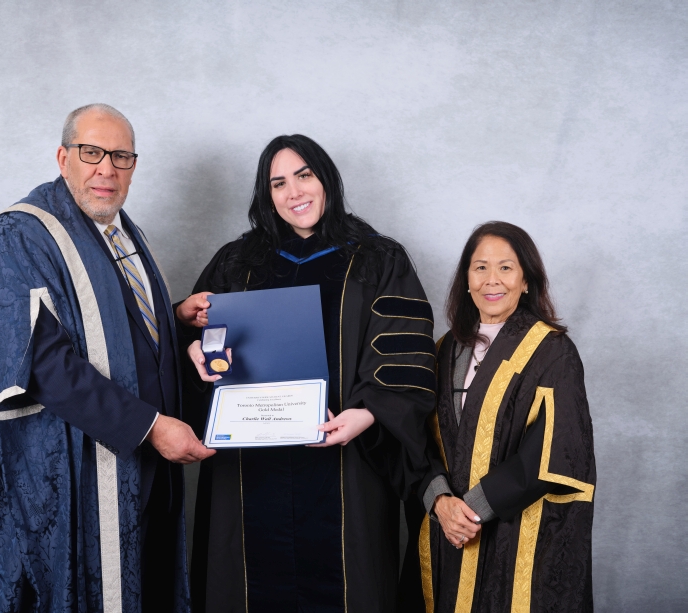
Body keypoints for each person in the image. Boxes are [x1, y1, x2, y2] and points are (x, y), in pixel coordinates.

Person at [0, 103, 214, 613]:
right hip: (68, 478)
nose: (106, 168)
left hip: (145, 470)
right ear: (63, 157)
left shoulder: (122, 234)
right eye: (92, 152)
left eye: (121, 156)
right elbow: (40, 363)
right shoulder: (16, 237)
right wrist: (153, 428)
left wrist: (172, 319)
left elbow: (105, 326)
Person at [179, 134, 435, 613]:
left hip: (346, 463)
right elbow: (199, 340)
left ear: (326, 180)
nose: (294, 192)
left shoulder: (378, 260)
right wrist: (194, 346)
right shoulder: (238, 263)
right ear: (266, 195)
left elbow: (404, 354)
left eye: (304, 175)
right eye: (278, 183)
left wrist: (367, 413)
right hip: (249, 470)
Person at [399, 221, 595, 613]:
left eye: (506, 267)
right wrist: (440, 502)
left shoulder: (553, 352)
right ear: (466, 280)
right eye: (480, 267)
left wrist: (470, 511)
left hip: (515, 531)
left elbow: (555, 451)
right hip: (446, 526)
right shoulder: (443, 350)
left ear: (526, 281)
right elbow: (418, 437)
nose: (492, 279)